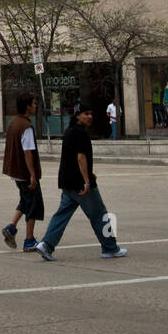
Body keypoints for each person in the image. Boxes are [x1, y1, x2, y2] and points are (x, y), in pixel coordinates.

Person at [36, 102, 127, 261]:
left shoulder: (70, 131)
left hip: (68, 182)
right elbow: (80, 157)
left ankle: (46, 245)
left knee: (62, 214)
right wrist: (87, 181)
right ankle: (110, 248)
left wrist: (89, 173)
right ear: (78, 115)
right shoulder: (80, 133)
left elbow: (72, 159)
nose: (90, 116)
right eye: (86, 114)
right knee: (100, 214)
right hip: (80, 184)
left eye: (91, 113)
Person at [1, 92, 44, 252]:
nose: (35, 106)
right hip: (24, 172)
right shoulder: (26, 126)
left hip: (15, 172)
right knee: (33, 204)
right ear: (27, 106)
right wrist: (32, 174)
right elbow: (28, 152)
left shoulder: (13, 122)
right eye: (33, 103)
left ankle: (11, 227)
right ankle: (29, 240)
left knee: (25, 200)